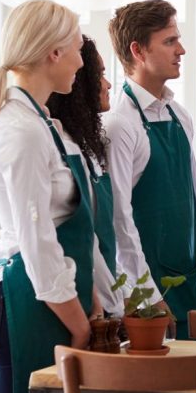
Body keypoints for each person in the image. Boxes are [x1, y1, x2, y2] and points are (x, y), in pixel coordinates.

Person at [0, 0, 137, 393]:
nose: (82, 62)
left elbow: (74, 233)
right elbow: (38, 245)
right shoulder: (20, 131)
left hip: (60, 302)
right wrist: (80, 327)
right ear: (53, 54)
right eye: (77, 49)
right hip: (30, 303)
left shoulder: (46, 124)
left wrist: (94, 302)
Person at [104, 0, 196, 393]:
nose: (181, 49)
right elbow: (119, 219)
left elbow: (191, 203)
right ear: (138, 50)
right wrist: (147, 294)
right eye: (170, 41)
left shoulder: (179, 114)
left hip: (189, 274)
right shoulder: (119, 123)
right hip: (150, 287)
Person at [47, 34, 123, 316]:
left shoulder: (88, 147)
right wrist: (112, 302)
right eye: (100, 75)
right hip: (87, 302)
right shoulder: (65, 148)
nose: (108, 84)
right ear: (81, 83)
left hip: (106, 298)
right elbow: (87, 243)